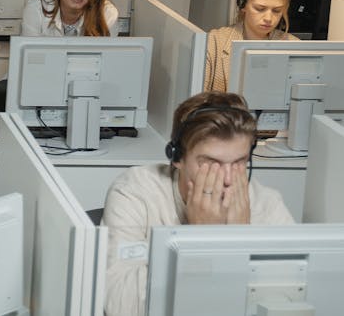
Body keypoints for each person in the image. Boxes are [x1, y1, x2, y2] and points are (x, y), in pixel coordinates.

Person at [102, 91, 294, 316]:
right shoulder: (136, 192)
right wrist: (199, 241)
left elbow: (289, 304)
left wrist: (239, 243)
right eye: (211, 164)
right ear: (177, 158)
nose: (228, 179)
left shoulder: (267, 204)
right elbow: (122, 307)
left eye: (239, 162)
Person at [204, 0, 298, 92]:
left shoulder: (295, 46)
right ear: (243, 5)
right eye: (260, 9)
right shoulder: (214, 42)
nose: (268, 18)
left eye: (276, 11)